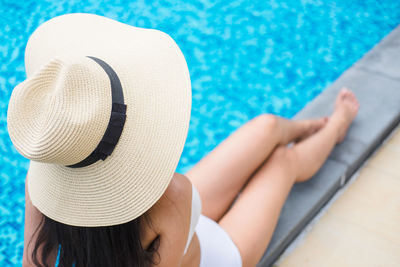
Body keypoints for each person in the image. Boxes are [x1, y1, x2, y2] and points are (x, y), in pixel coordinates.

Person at [7, 13, 359, 267]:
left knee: (268, 127)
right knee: (283, 162)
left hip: (183, 230)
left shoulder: (42, 182)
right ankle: (335, 126)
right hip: (218, 256)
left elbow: (32, 261)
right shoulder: (173, 195)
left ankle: (311, 125)